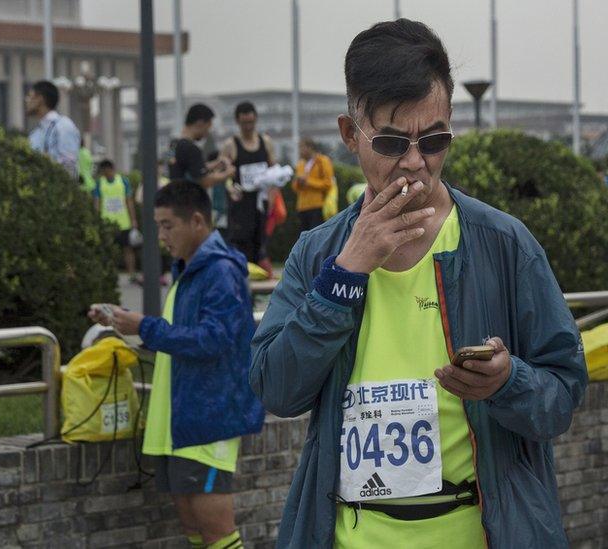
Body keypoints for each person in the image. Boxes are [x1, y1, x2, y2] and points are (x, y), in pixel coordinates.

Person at [250, 19, 587, 549]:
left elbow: (563, 395)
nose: (414, 162)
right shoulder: (318, 253)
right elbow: (276, 389)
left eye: (433, 140)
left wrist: (508, 381)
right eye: (390, 141)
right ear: (349, 134)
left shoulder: (503, 244)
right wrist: (346, 274)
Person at [89, 181, 264, 549]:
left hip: (209, 418)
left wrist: (145, 327)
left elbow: (214, 340)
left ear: (197, 221)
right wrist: (123, 322)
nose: (161, 235)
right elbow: (180, 334)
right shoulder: (189, 269)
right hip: (183, 419)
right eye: (157, 226)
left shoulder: (219, 271)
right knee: (192, 523)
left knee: (216, 529)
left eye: (168, 226)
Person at [219, 102, 278, 275]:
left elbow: (273, 171)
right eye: (244, 123)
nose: (248, 127)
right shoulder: (230, 145)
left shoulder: (265, 142)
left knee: (260, 242)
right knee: (240, 242)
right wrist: (230, 188)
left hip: (261, 201)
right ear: (237, 122)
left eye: (251, 122)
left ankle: (259, 278)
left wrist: (273, 194)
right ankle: (239, 276)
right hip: (240, 203)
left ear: (256, 120)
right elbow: (224, 176)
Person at [167, 103, 235, 189]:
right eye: (208, 128)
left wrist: (215, 164)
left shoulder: (173, 144)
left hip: (174, 197)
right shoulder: (192, 149)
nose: (207, 133)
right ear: (200, 123)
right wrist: (227, 174)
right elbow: (204, 181)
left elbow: (190, 168)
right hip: (188, 199)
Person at [93, 160, 139, 284]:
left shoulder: (123, 181)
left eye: (106, 171)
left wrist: (133, 219)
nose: (105, 174)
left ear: (111, 169)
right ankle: (108, 275)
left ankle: (131, 274)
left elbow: (129, 201)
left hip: (123, 222)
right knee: (107, 250)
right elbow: (97, 202)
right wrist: (96, 220)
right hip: (106, 223)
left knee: (128, 249)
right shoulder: (99, 183)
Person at [26, 80, 81, 176]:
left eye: (30, 96)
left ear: (40, 99)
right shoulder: (35, 134)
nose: (26, 100)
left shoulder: (63, 126)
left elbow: (69, 168)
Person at [292, 137, 335, 231]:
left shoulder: (323, 161)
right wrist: (298, 182)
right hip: (302, 207)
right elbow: (295, 188)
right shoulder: (300, 164)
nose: (299, 151)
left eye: (301, 147)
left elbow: (328, 184)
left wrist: (307, 181)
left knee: (317, 236)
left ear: (310, 147)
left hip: (318, 206)